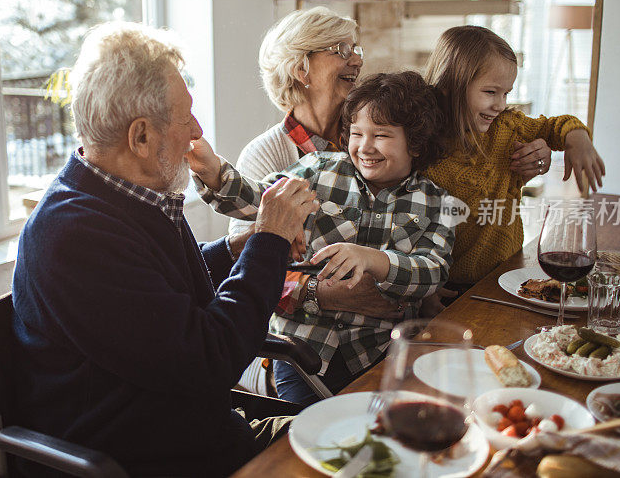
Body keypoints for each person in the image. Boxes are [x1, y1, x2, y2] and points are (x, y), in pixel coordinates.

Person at [10, 22, 318, 477]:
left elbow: (160, 294)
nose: (196, 130)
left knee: (362, 436)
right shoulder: (74, 234)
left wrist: (240, 246)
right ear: (140, 137)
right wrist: (270, 240)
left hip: (199, 433)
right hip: (153, 458)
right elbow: (212, 356)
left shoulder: (117, 198)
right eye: (185, 116)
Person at [189, 71, 455, 405]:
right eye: (357, 133)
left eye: (382, 136)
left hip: (378, 350)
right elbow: (260, 200)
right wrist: (212, 170)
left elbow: (433, 271)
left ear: (415, 142)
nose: (365, 146)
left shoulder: (439, 203)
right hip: (302, 346)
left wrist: (374, 260)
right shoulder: (317, 167)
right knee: (303, 431)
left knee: (379, 429)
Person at [423, 25, 606, 300]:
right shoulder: (421, 145)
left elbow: (554, 126)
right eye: (490, 92)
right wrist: (424, 292)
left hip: (508, 273)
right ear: (450, 84)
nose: (500, 104)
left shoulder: (508, 127)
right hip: (444, 287)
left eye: (506, 93)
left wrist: (577, 138)